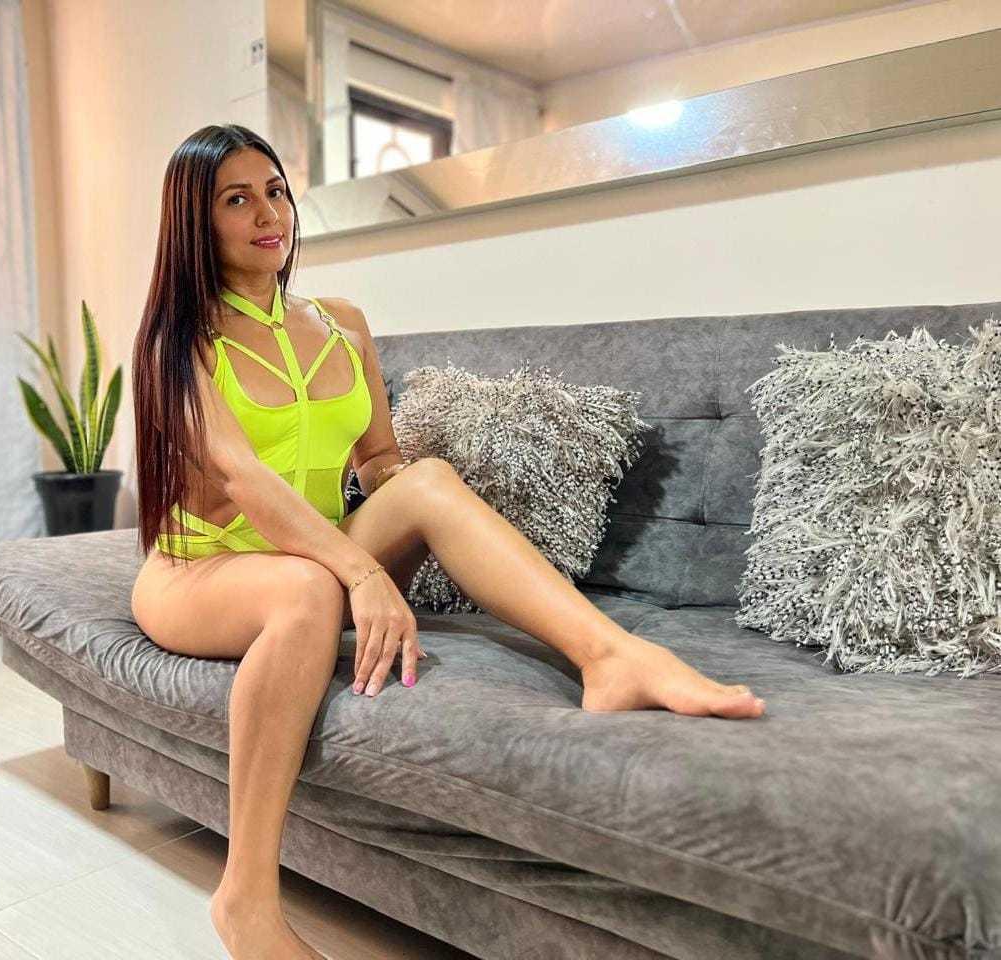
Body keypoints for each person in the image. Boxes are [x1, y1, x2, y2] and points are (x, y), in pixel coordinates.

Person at [129, 123, 766, 960]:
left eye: (275, 191)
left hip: (313, 556)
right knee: (306, 587)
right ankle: (245, 900)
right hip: (202, 571)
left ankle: (611, 657)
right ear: (195, 222)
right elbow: (241, 479)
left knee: (427, 479)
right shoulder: (179, 340)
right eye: (236, 200)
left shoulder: (341, 323)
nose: (267, 214)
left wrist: (440, 515)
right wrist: (361, 571)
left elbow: (379, 462)